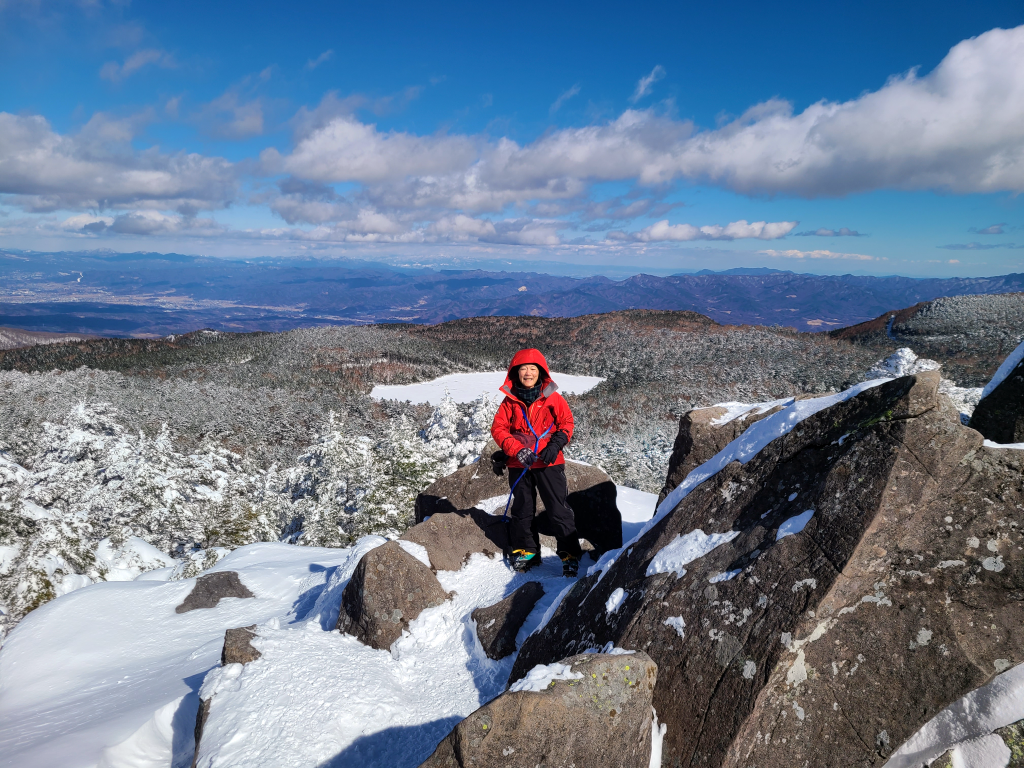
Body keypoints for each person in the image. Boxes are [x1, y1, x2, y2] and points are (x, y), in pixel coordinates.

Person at [491, 348, 582, 576]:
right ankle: (527, 551)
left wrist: (555, 445)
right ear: (515, 372)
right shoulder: (509, 401)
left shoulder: (553, 398)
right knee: (522, 510)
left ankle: (569, 554)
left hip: (549, 462)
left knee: (558, 509)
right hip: (519, 463)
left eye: (533, 368)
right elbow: (499, 429)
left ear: (541, 372)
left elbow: (566, 423)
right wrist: (516, 450)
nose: (528, 373)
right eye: (523, 369)